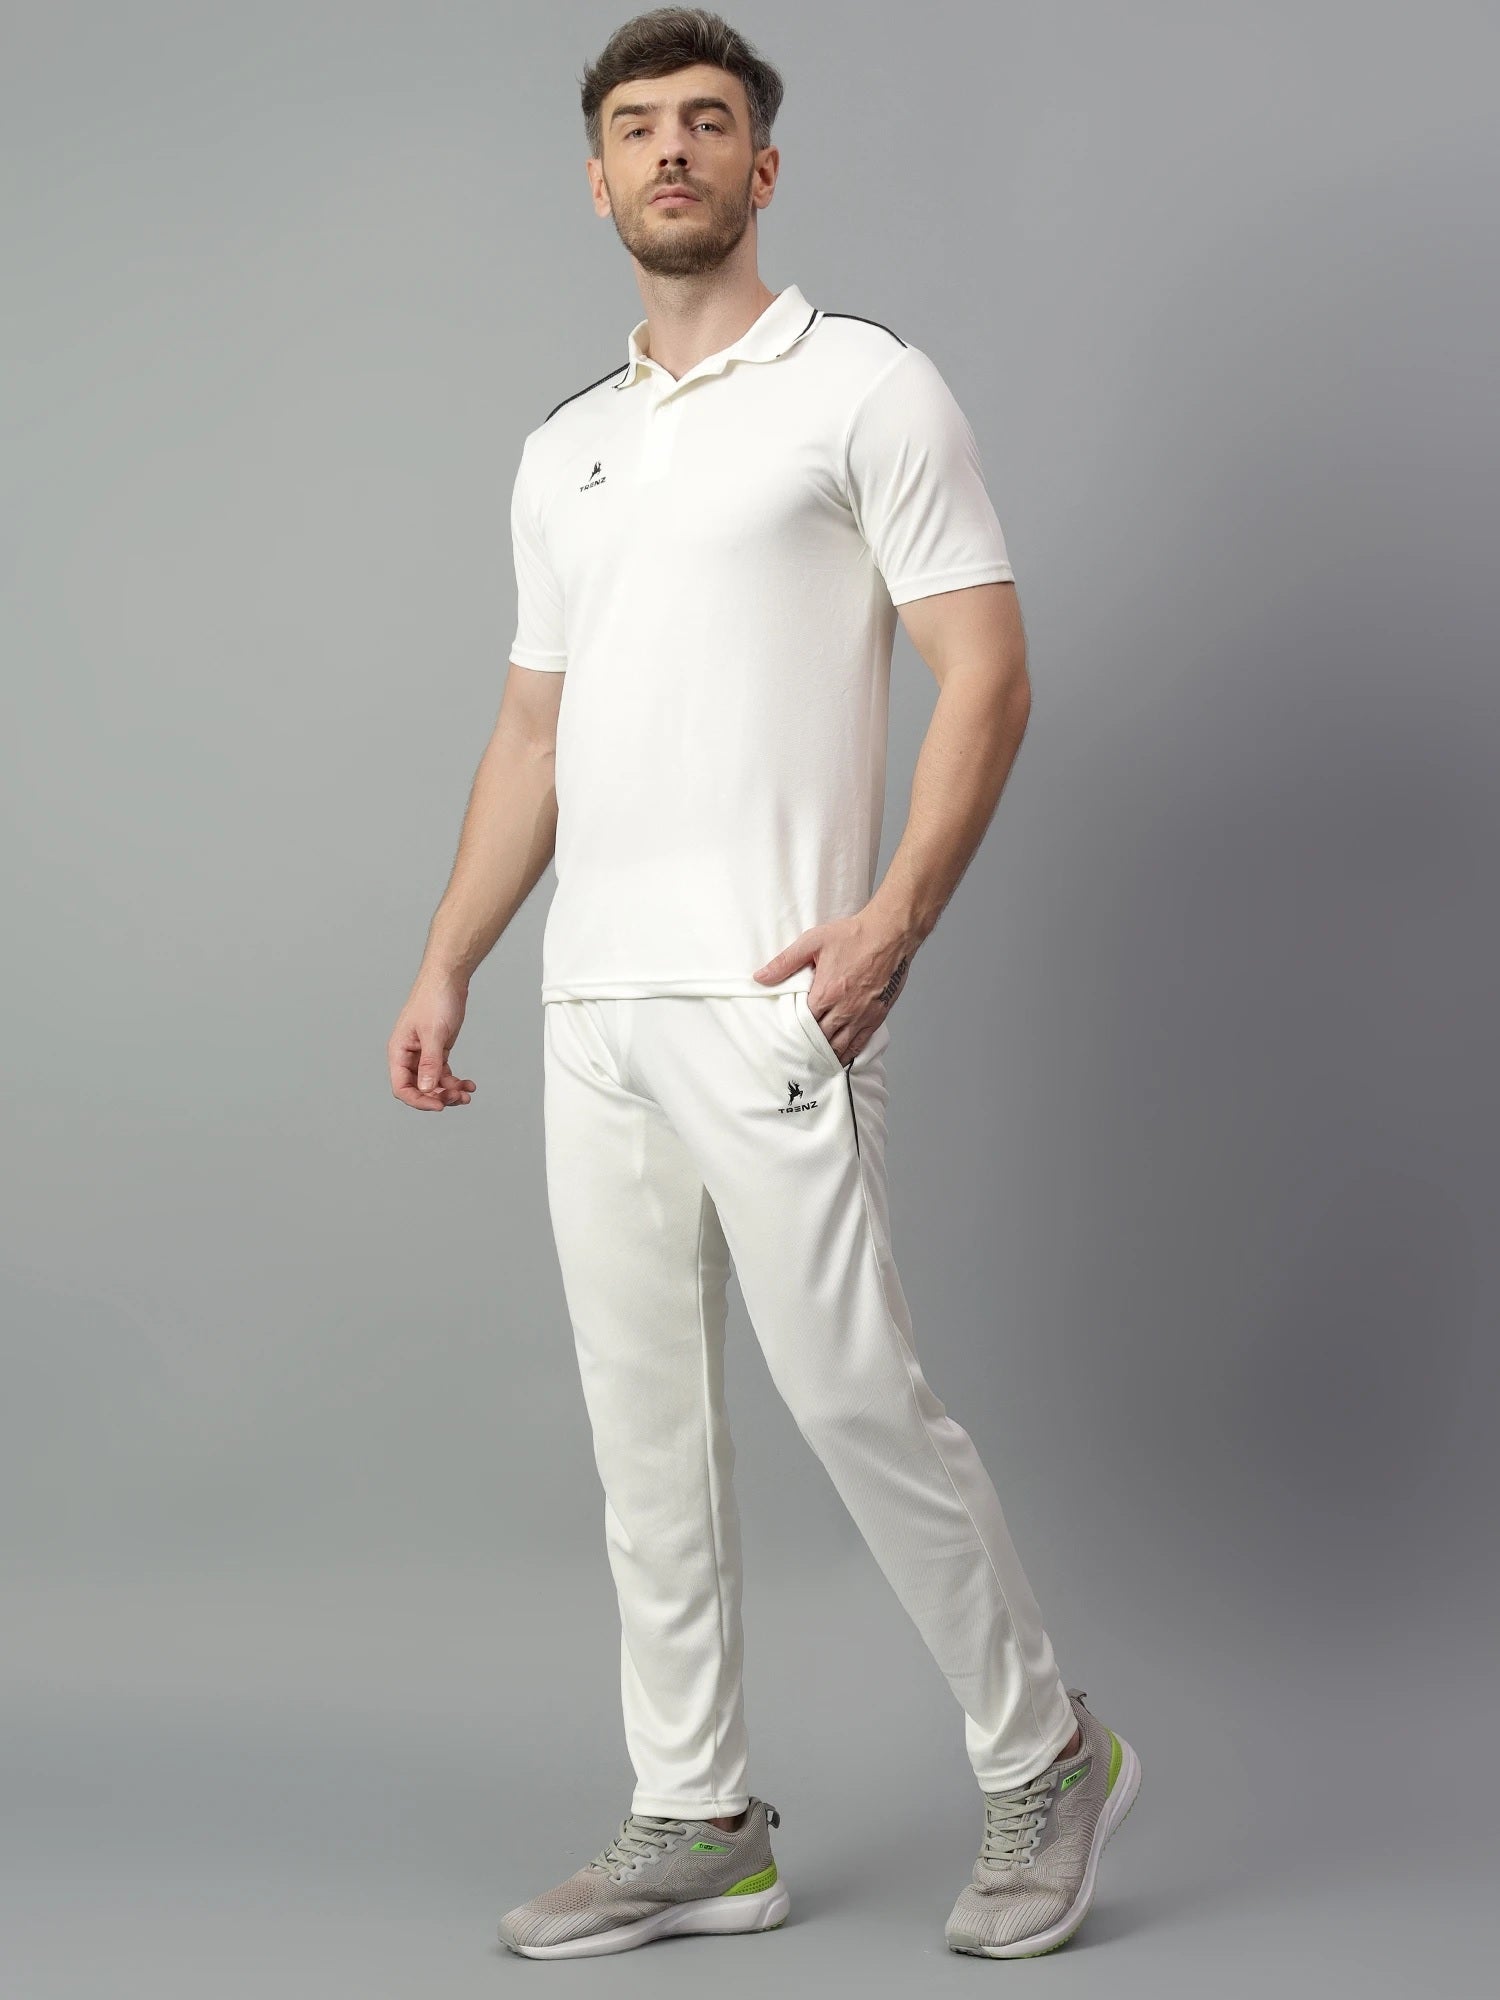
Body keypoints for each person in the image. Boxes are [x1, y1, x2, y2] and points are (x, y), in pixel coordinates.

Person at [387, 6, 1140, 1964]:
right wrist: (452, 958)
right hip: (594, 1012)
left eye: (706, 122)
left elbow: (989, 673)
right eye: (638, 126)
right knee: (643, 1438)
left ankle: (1047, 1752)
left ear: (762, 165)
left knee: (857, 1397)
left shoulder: (866, 387)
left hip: (773, 999)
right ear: (596, 178)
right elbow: (532, 735)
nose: (672, 151)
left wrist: (895, 918)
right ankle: (698, 1819)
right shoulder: (565, 448)